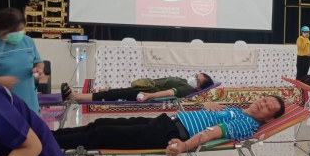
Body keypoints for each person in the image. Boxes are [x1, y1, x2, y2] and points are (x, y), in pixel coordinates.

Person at [51, 96, 285, 151]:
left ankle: (48, 143)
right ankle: (48, 135)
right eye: (265, 99)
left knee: (102, 134)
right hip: (167, 121)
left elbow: (213, 133)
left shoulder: (247, 125)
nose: (263, 103)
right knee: (100, 123)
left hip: (172, 133)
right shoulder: (237, 109)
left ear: (269, 118)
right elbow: (212, 118)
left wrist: (184, 146)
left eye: (268, 107)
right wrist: (207, 104)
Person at [60, 73, 214, 102]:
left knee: (111, 95)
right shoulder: (185, 82)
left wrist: (149, 96)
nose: (194, 78)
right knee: (112, 92)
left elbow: (169, 92)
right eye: (196, 76)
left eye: (197, 80)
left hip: (146, 92)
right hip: (145, 89)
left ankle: (75, 97)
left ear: (199, 88)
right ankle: (76, 96)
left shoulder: (188, 89)